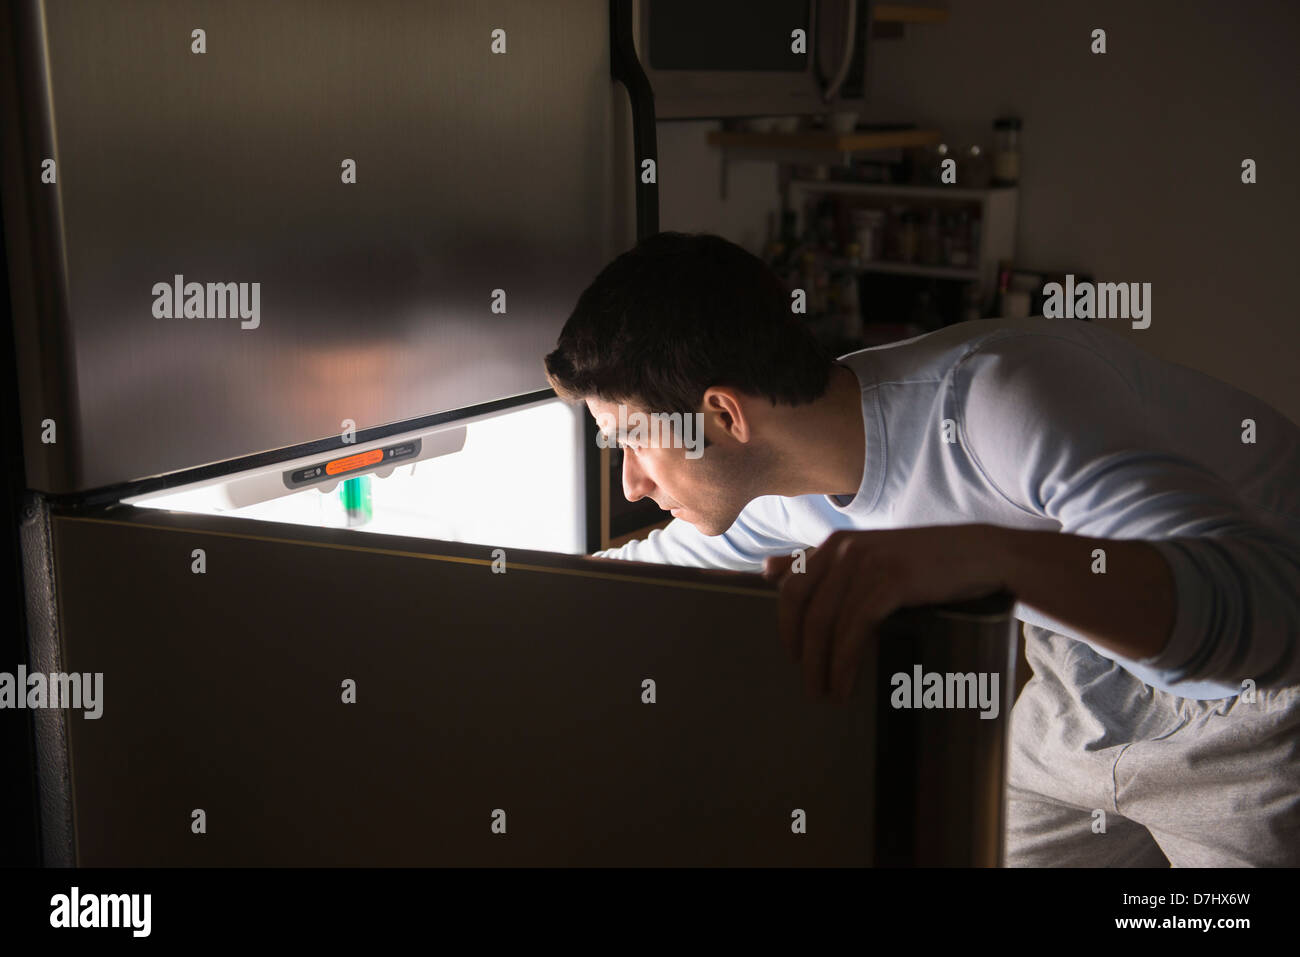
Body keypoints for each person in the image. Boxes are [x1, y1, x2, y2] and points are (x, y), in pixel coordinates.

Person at [543, 231, 1300, 867]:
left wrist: (987, 557)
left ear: (722, 414)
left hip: (1263, 700)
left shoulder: (1001, 401)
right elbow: (636, 573)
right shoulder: (781, 487)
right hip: (1086, 681)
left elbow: (1262, 614)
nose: (632, 483)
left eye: (633, 438)